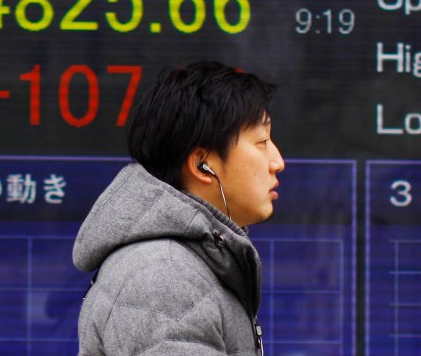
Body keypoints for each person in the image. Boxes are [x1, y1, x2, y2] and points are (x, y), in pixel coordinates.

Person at [73, 60, 284, 355]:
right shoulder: (164, 278)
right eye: (261, 142)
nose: (277, 162)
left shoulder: (184, 266)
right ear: (202, 164)